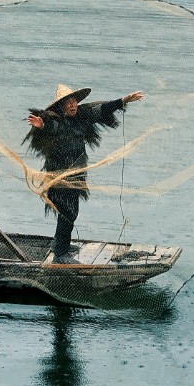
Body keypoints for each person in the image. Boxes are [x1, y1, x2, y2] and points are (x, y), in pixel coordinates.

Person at [24, 84, 144, 262]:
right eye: (68, 103)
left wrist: (123, 100)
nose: (73, 106)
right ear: (61, 106)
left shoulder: (82, 116)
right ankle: (60, 254)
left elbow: (102, 109)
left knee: (70, 210)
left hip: (76, 174)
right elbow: (51, 126)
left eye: (74, 102)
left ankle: (59, 243)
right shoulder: (54, 121)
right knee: (68, 211)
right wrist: (42, 126)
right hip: (60, 176)